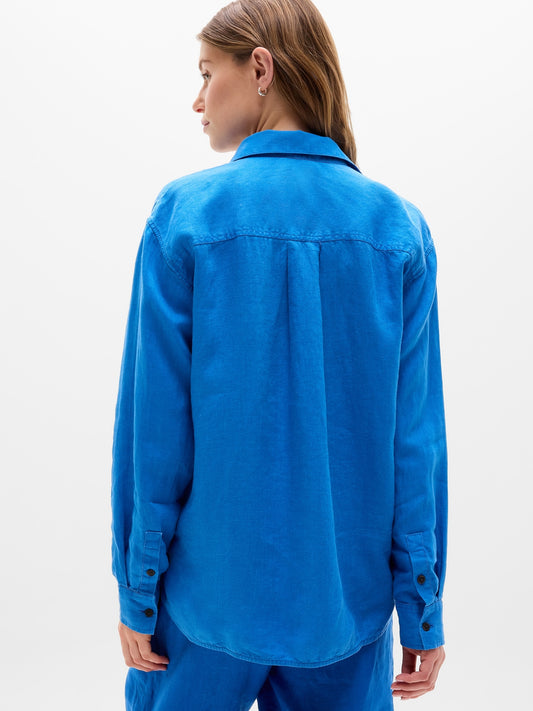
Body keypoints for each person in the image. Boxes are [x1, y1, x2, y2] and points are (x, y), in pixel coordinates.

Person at [110, 0, 448, 708]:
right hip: (345, 613)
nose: (198, 99)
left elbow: (154, 434)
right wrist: (421, 603)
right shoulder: (397, 230)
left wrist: (138, 587)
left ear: (260, 68)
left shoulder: (185, 217)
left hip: (203, 608)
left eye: (208, 73)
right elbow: (414, 445)